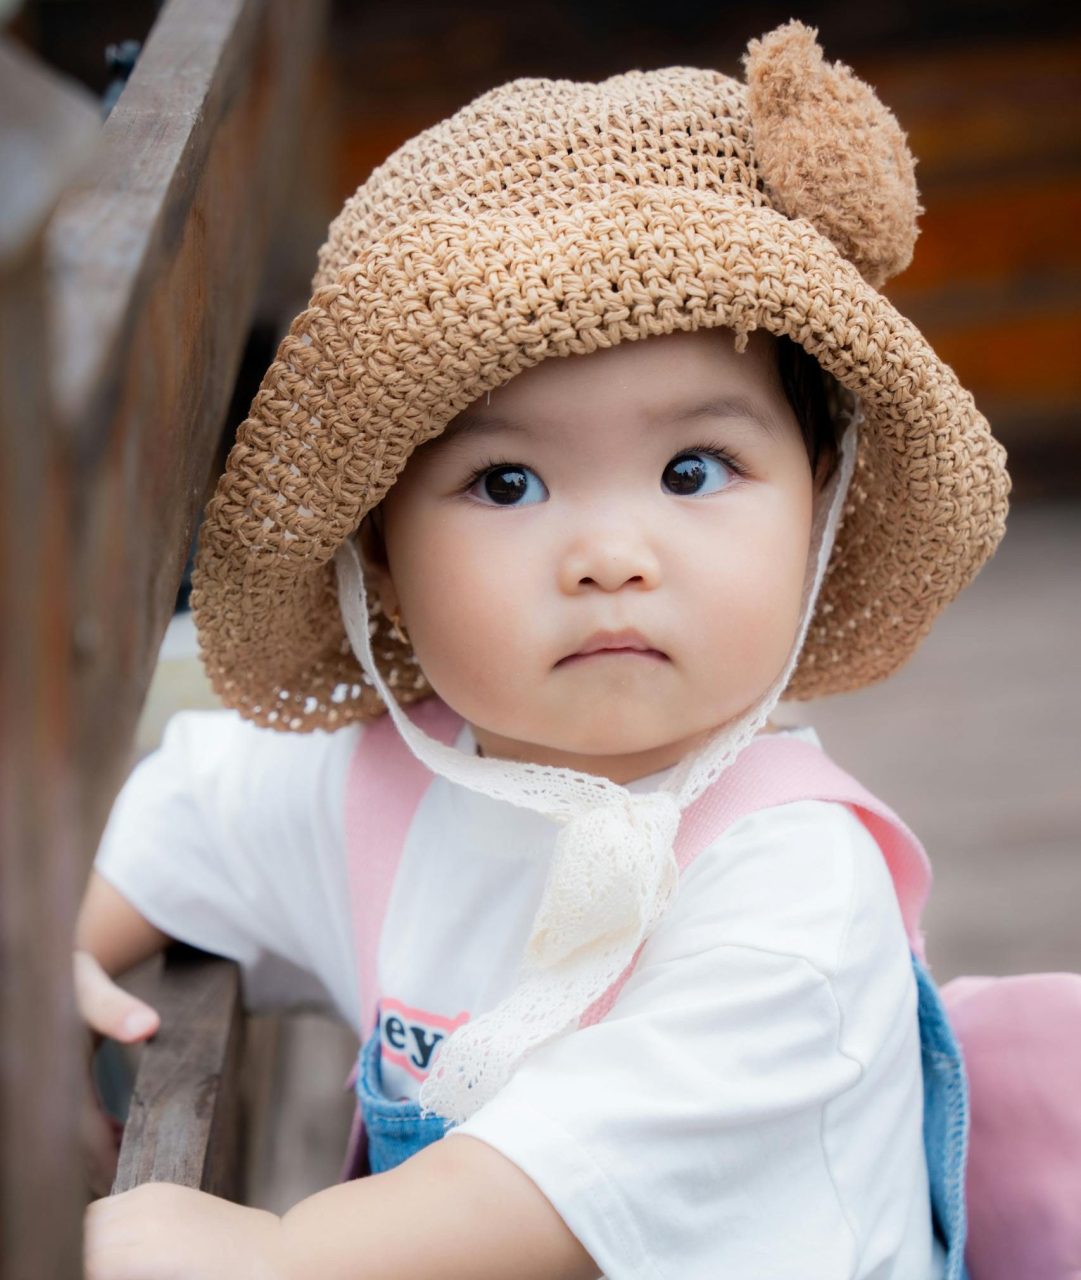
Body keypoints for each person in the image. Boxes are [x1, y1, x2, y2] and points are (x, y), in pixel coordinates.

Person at [76, 21, 1010, 1280]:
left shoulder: (792, 897)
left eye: (694, 469)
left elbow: (542, 1197)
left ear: (818, 504)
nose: (608, 553)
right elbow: (172, 822)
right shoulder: (376, 790)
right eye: (505, 481)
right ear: (386, 567)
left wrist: (280, 1248)